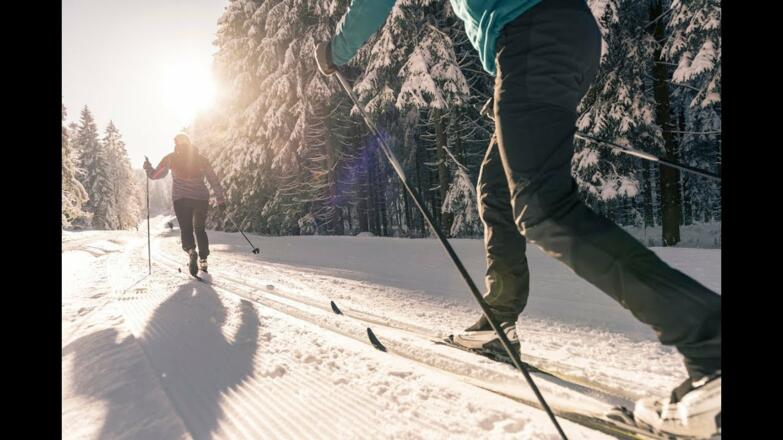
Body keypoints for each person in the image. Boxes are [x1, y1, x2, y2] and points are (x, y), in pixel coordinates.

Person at [313, 0, 721, 437]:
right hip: (555, 38)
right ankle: (498, 321)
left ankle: (709, 344)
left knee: (543, 210)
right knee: (497, 189)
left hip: (533, 35)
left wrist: (334, 50)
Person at [144, 133, 225, 276]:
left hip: (181, 200)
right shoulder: (201, 159)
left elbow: (156, 175)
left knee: (186, 229)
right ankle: (203, 260)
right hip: (201, 198)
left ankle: (191, 251)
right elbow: (213, 179)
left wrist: (148, 168)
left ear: (176, 144)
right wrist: (220, 199)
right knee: (200, 229)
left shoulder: (171, 158)